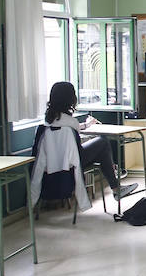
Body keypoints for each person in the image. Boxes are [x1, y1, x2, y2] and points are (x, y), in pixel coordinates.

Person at [31, 81, 138, 212]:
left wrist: (84, 126)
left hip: (51, 166)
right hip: (73, 163)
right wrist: (87, 124)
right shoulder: (71, 121)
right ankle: (116, 186)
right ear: (71, 99)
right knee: (103, 142)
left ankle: (115, 182)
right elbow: (74, 129)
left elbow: (69, 129)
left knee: (102, 149)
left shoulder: (45, 122)